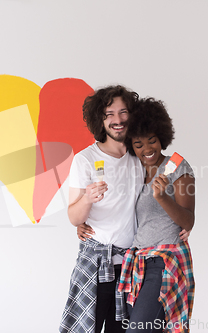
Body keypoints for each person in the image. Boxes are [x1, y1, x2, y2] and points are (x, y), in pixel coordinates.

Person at [78, 98, 195, 333]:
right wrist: (82, 221)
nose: (147, 149)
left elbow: (188, 220)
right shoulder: (135, 168)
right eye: (139, 144)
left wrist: (163, 197)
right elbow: (117, 205)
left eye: (152, 141)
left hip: (165, 262)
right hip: (135, 263)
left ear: (163, 137)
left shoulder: (176, 166)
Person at [59, 85, 143, 333]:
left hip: (131, 267)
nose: (117, 120)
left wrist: (182, 226)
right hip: (95, 265)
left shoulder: (140, 157)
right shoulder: (84, 159)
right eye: (109, 114)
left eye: (123, 112)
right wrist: (87, 199)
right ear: (100, 119)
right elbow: (74, 218)